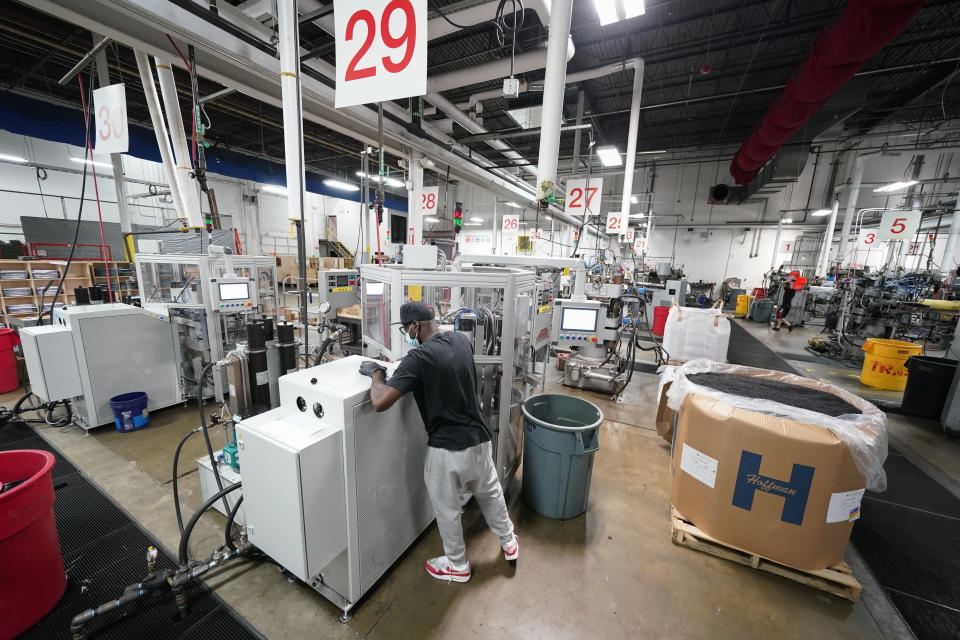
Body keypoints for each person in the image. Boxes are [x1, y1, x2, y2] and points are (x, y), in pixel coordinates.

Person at [358, 301, 518, 583]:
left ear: (416, 326)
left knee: (446, 508)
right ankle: (509, 540)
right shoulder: (460, 340)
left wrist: (376, 374)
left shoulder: (418, 359)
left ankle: (457, 565)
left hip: (447, 449)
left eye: (407, 328)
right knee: (490, 493)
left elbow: (380, 401)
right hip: (480, 440)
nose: (406, 333)